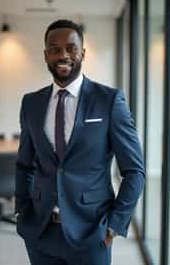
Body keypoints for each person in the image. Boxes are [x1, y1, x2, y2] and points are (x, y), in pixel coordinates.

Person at [15, 19, 145, 265]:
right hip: (40, 232)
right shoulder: (31, 103)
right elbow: (24, 164)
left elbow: (134, 171)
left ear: (82, 53)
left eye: (71, 47)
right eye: (54, 49)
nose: (63, 54)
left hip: (91, 232)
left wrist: (115, 224)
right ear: (46, 55)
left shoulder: (109, 101)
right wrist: (22, 210)